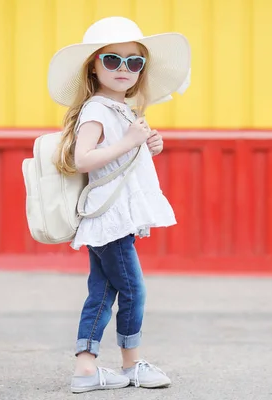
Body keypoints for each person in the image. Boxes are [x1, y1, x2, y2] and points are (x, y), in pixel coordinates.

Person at [46, 16, 191, 393]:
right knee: (132, 289)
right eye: (112, 60)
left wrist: (147, 144)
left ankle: (85, 366)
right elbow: (83, 159)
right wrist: (129, 141)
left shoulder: (122, 109)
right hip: (108, 216)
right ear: (94, 66)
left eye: (134, 61)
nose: (123, 69)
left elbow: (121, 160)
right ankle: (131, 364)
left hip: (114, 213)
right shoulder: (96, 109)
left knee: (103, 290)